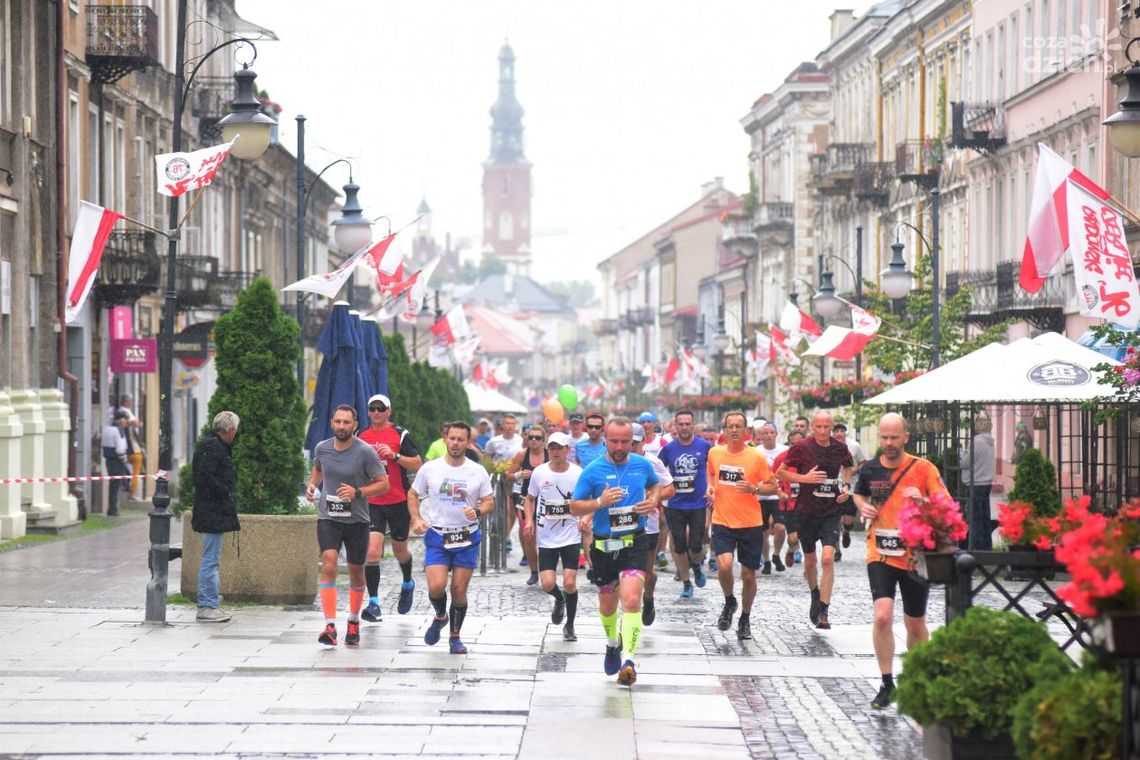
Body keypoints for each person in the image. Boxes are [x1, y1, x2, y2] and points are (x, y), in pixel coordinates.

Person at [854, 412, 948, 709]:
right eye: (884, 437)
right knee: (882, 615)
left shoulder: (923, 468)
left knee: (915, 622)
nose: (889, 443)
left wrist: (923, 500)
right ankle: (886, 683)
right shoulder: (870, 469)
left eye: (894, 437)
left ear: (906, 437)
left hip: (914, 555)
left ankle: (919, 679)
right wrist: (863, 507)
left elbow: (946, 503)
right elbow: (859, 495)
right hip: (879, 551)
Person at [570, 416, 661, 687]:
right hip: (604, 546)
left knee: (631, 600)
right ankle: (613, 643)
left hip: (634, 542)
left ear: (633, 441)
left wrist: (653, 500)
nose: (620, 447)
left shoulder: (642, 465)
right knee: (608, 606)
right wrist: (600, 502)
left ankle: (629, 660)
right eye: (614, 441)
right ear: (605, 441)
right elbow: (574, 506)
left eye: (625, 442)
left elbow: (656, 485)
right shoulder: (593, 470)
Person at [306, 404, 390, 647]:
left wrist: (358, 492)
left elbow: (383, 484)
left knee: (356, 571)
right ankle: (330, 626)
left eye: (346, 422)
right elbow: (318, 468)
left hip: (357, 520)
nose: (341, 426)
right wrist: (312, 485)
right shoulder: (322, 448)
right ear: (332, 423)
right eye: (338, 421)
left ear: (355, 425)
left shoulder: (365, 452)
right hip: (329, 517)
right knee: (329, 562)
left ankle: (353, 620)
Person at [409, 421, 494, 654]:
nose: (455, 443)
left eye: (460, 439)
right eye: (452, 438)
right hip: (438, 535)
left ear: (468, 443)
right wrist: (416, 519)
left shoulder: (477, 471)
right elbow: (413, 494)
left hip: (467, 537)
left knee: (458, 590)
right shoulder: (431, 468)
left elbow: (489, 501)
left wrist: (477, 511)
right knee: (436, 586)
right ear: (446, 439)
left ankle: (455, 637)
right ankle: (440, 615)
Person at [776, 410, 853, 630]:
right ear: (812, 427)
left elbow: (848, 466)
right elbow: (780, 473)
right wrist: (805, 478)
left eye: (827, 427)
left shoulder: (840, 448)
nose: (822, 431)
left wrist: (846, 487)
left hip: (831, 510)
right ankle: (814, 593)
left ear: (832, 427)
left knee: (827, 559)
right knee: (810, 561)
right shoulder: (802, 447)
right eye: (818, 427)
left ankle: (824, 610)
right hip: (806, 511)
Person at [707, 411, 777, 640]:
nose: (735, 430)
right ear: (725, 431)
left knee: (748, 575)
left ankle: (745, 618)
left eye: (739, 426)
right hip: (722, 520)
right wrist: (710, 487)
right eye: (731, 426)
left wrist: (754, 489)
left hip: (750, 523)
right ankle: (730, 601)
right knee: (724, 566)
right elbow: (711, 474)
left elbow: (772, 486)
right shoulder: (715, 453)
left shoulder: (756, 457)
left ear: (746, 431)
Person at [356, 393, 423, 622]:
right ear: (368, 412)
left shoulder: (400, 434)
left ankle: (408, 582)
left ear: (389, 411)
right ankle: (374, 603)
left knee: (399, 550)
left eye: (381, 408)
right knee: (372, 552)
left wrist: (394, 456)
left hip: (397, 501)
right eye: (372, 409)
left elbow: (417, 463)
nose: (376, 412)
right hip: (372, 502)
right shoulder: (361, 436)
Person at [523, 432, 585, 641]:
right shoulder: (539, 473)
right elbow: (530, 498)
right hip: (547, 536)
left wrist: (586, 518)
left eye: (560, 448)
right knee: (547, 584)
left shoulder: (577, 473)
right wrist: (529, 520)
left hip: (571, 535)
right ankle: (560, 600)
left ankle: (570, 626)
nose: (556, 452)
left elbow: (587, 498)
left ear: (568, 450)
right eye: (552, 448)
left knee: (570, 583)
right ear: (547, 449)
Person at [191, 411, 240, 623]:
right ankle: (207, 606)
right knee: (210, 560)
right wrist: (225, 492)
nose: (235, 435)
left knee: (212, 560)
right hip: (212, 511)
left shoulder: (213, 445)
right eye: (235, 431)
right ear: (230, 430)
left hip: (213, 511)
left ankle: (212, 603)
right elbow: (205, 478)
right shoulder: (213, 447)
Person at [659, 408, 712, 598]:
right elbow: (658, 470)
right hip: (675, 505)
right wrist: (661, 489)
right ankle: (686, 583)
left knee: (696, 545)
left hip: (698, 503)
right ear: (675, 425)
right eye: (680, 424)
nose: (684, 427)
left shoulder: (704, 446)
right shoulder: (669, 449)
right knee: (679, 546)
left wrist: (710, 487)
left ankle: (696, 565)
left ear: (693, 425)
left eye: (687, 424)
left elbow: (713, 469)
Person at [631, 425, 675, 627]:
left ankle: (648, 598)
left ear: (643, 442)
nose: (630, 446)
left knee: (646, 572)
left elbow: (670, 489)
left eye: (634, 443)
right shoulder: (614, 461)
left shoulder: (652, 462)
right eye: (627, 442)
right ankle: (629, 609)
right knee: (625, 572)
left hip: (648, 526)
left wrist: (653, 498)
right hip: (621, 525)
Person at [507, 426, 548, 584]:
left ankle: (546, 569)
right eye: (530, 437)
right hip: (526, 499)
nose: (533, 440)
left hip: (546, 500)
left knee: (546, 538)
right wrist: (519, 474)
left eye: (538, 438)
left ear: (544, 440)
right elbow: (509, 475)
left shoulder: (549, 454)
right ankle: (534, 571)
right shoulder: (522, 455)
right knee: (529, 537)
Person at [754, 422, 787, 575]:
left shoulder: (784, 450)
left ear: (776, 434)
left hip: (778, 495)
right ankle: (766, 560)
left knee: (780, 527)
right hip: (760, 496)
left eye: (771, 433)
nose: (769, 436)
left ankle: (776, 555)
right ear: (761, 435)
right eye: (765, 433)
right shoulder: (756, 452)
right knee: (762, 532)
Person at [832, 422, 868, 558]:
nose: (839, 433)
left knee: (848, 520)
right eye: (836, 431)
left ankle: (846, 531)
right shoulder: (827, 446)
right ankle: (836, 550)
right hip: (834, 486)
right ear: (833, 433)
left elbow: (863, 462)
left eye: (842, 431)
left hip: (851, 487)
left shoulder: (854, 446)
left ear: (845, 433)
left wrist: (856, 469)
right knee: (834, 521)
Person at [772, 430, 805, 568]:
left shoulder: (811, 457)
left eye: (798, 445)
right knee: (793, 537)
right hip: (788, 504)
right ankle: (791, 550)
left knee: (805, 535)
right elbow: (772, 478)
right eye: (792, 445)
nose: (795, 448)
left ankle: (809, 567)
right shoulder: (781, 458)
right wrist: (779, 492)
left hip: (806, 503)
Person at [963, 427, 996, 550]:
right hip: (986, 482)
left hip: (975, 482)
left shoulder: (976, 442)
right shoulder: (990, 442)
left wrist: (961, 453)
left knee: (975, 518)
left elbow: (966, 462)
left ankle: (976, 547)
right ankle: (986, 546)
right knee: (984, 518)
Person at [101, 411, 130, 516]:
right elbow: (120, 449)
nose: (126, 424)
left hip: (108, 460)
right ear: (121, 420)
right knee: (116, 485)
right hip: (117, 461)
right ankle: (113, 510)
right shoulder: (119, 431)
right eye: (126, 421)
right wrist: (125, 460)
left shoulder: (106, 429)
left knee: (112, 485)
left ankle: (111, 508)